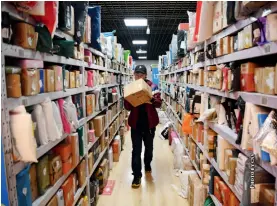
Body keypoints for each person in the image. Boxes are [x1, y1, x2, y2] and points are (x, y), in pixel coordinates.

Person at [124, 65, 162, 188]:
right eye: (137, 75)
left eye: (141, 75)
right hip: (136, 124)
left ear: (145, 75)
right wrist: (131, 99)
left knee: (149, 148)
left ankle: (147, 163)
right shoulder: (130, 87)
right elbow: (127, 107)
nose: (139, 77)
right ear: (134, 75)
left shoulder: (153, 86)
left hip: (149, 124)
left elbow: (159, 103)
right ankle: (136, 175)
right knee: (136, 150)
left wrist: (150, 98)